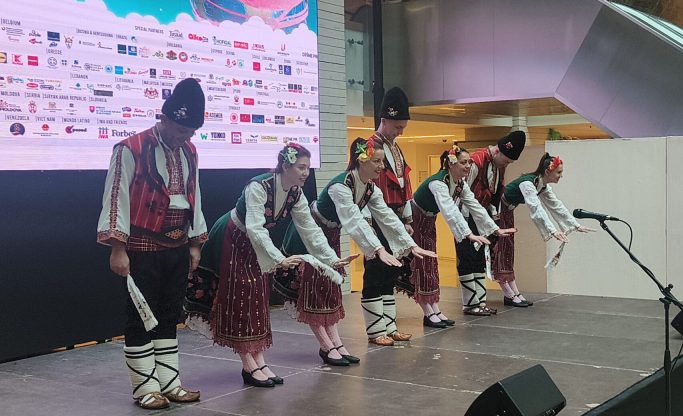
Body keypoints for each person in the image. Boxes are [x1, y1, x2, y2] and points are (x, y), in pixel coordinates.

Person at [185, 143, 355, 387]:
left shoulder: (295, 192)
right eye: (301, 167)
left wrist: (331, 258)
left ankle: (259, 361)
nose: (306, 173)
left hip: (255, 242)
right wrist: (278, 259)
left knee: (257, 298)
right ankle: (248, 364)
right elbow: (255, 227)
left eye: (307, 167)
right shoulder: (258, 186)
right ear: (285, 165)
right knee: (241, 298)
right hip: (232, 238)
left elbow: (309, 229)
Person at [97, 78, 208, 409]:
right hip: (142, 248)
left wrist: (195, 243)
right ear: (165, 118)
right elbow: (116, 197)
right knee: (141, 316)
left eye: (190, 132)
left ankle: (169, 383)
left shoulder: (189, 150)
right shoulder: (129, 148)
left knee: (169, 314)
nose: (185, 137)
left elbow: (194, 195)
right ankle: (145, 387)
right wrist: (118, 248)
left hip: (176, 246)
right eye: (181, 129)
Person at [280, 137, 436, 358]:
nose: (382, 166)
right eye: (377, 161)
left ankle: (336, 345)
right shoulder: (340, 187)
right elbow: (353, 219)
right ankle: (328, 345)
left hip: (330, 235)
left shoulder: (370, 187)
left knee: (329, 288)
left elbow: (387, 216)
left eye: (382, 161)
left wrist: (410, 245)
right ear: (362, 160)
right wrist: (378, 249)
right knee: (315, 289)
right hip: (310, 235)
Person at [408, 145, 515, 326]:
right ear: (451, 164)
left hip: (427, 221)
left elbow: (475, 206)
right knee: (423, 265)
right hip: (415, 222)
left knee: (431, 264)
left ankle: (434, 308)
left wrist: (493, 229)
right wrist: (468, 234)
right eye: (463, 162)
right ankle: (428, 311)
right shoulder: (438, 183)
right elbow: (450, 211)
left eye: (469, 162)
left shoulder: (459, 183)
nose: (468, 166)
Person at [496, 153, 595, 306]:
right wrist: (552, 231)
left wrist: (575, 225)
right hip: (496, 212)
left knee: (508, 250)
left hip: (506, 212)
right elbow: (536, 209)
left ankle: (514, 292)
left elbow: (556, 205)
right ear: (548, 171)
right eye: (559, 172)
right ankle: (508, 293)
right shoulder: (528, 183)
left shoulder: (541, 185)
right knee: (501, 250)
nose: (561, 175)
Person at [363, 87, 416, 346]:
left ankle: (390, 326)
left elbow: (405, 184)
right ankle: (375, 330)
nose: (400, 132)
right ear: (384, 120)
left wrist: (407, 220)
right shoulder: (368, 147)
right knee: (375, 271)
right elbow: (361, 186)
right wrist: (367, 224)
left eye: (402, 127)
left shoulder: (396, 148)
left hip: (394, 218)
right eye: (397, 127)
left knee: (390, 272)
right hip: (375, 217)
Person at [458, 131, 526, 315]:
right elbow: (462, 192)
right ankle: (470, 303)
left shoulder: (498, 165)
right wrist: (464, 222)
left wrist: (493, 216)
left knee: (480, 258)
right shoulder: (476, 161)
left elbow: (495, 193)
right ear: (497, 151)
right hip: (466, 215)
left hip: (482, 215)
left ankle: (479, 302)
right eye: (506, 161)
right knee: (467, 257)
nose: (506, 165)